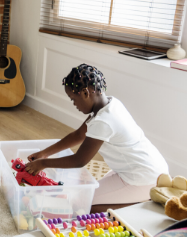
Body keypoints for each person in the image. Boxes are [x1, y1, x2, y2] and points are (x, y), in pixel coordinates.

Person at [25, 64, 168, 213]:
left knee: (83, 207)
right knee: (86, 197)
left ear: (85, 93)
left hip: (142, 178)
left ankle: (141, 205)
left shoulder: (103, 121)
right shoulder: (111, 104)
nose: (74, 104)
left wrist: (43, 163)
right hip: (149, 169)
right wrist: (44, 153)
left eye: (74, 99)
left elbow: (79, 160)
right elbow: (79, 135)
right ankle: (140, 196)